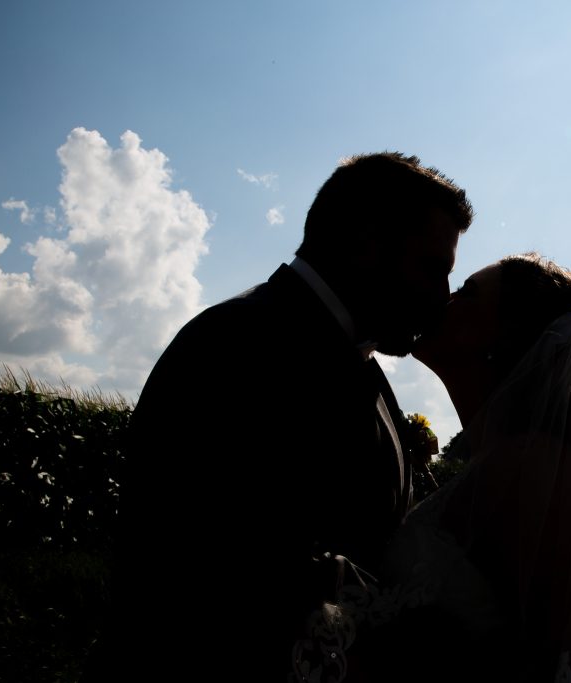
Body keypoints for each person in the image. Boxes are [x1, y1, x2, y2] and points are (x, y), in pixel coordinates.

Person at [95, 152, 473, 681]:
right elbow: (206, 565)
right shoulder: (237, 344)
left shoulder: (362, 364)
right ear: (367, 243)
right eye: (432, 269)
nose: (443, 297)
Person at [324, 254, 571, 682]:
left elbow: (539, 660)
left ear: (505, 337)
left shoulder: (534, 469)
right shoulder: (505, 457)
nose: (443, 299)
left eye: (466, 293)